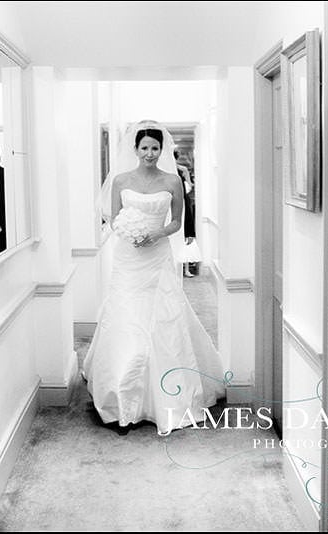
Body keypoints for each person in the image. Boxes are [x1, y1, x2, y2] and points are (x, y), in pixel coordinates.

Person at [83, 120, 225, 436]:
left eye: (155, 148)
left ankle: (167, 397)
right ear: (135, 149)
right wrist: (129, 232)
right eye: (145, 147)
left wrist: (156, 232)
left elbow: (177, 222)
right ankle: (121, 395)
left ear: (162, 150)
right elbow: (115, 218)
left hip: (157, 256)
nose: (150, 153)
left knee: (164, 319)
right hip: (128, 259)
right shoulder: (120, 180)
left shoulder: (172, 181)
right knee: (126, 319)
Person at [174, 148, 201, 277]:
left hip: (181, 201)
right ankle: (184, 270)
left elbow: (188, 187)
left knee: (183, 235)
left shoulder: (180, 170)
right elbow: (190, 186)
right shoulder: (181, 170)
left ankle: (183, 269)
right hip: (181, 200)